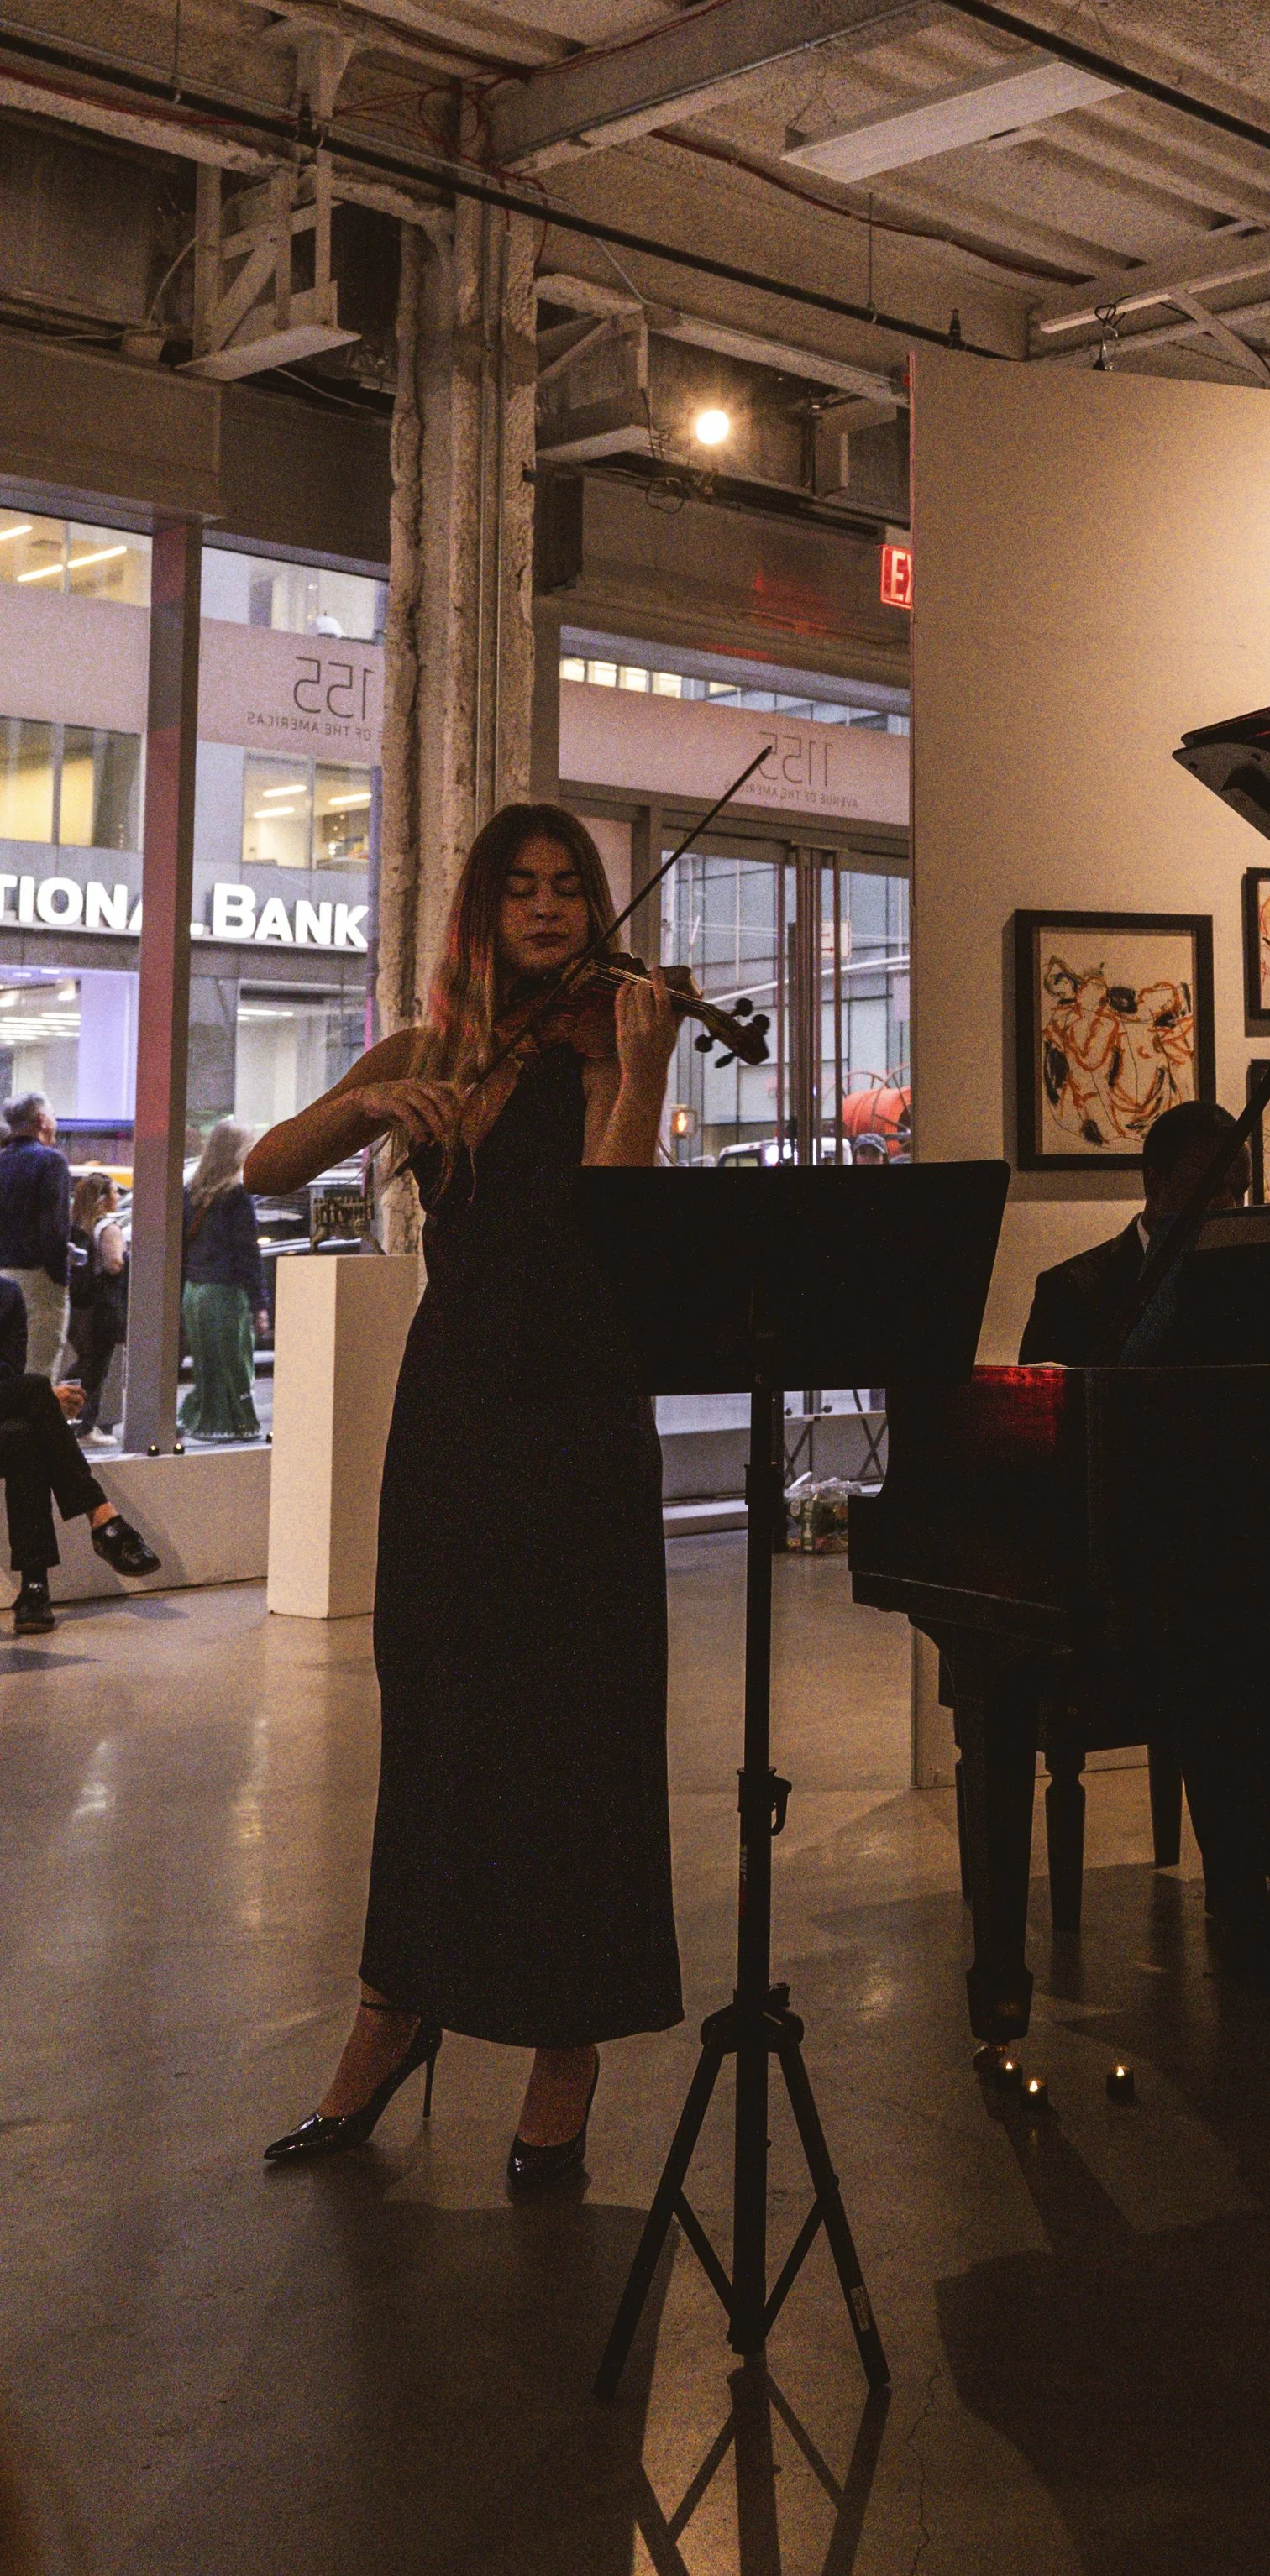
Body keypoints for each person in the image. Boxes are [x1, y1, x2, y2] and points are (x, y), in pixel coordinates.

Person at [247, 801, 683, 2190]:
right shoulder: (430, 1050)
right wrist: (371, 1101)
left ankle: (568, 2053)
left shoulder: (616, 1037)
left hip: (580, 1420)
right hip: (454, 1422)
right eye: (521, 889)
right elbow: (261, 1169)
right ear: (483, 912)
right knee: (435, 1721)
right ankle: (395, 2014)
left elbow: (613, 1226)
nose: (549, 910)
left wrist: (645, 1072)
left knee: (579, 1733)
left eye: (568, 889)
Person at [1017, 1098, 1270, 1982]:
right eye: (1206, 1189)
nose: (1226, 1210)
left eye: (1236, 1190)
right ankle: (1244, 1889)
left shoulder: (1266, 1292)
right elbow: (1046, 1454)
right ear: (1152, 1184)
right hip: (1114, 1559)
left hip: (1227, 1543)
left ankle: (1249, 1872)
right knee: (1215, 1642)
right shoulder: (1075, 1289)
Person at [0, 1272, 160, 1632]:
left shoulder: (6, 1294)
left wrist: (31, 1397)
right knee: (37, 1390)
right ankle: (103, 1519)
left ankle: (34, 1589)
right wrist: (38, 1396)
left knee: (25, 1438)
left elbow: (7, 1375)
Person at [177, 1123, 268, 1442]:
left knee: (206, 1363)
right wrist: (259, 1304)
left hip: (195, 1292)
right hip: (225, 1293)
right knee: (235, 1362)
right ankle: (237, 1424)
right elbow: (247, 1253)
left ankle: (203, 1420)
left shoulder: (191, 1192)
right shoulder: (236, 1195)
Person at [0, 1094, 73, 1380]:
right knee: (37, 1371)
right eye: (53, 1116)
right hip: (36, 1280)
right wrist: (60, 1277)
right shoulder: (51, 1162)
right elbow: (53, 1229)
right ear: (42, 1120)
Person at [65, 1171, 127, 1443]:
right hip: (103, 1305)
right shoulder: (108, 1228)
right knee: (96, 1366)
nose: (119, 1197)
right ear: (102, 1199)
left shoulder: (76, 1225)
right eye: (114, 1192)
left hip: (79, 1304)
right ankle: (85, 1425)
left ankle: (76, 1419)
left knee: (86, 1362)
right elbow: (114, 1264)